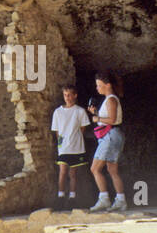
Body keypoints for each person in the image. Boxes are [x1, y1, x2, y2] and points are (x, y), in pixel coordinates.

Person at [88, 72, 127, 212]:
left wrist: (96, 119)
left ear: (107, 85)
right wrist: (96, 113)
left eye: (99, 85)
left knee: (95, 168)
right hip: (112, 135)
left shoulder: (111, 99)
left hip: (110, 136)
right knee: (112, 170)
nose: (97, 88)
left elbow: (111, 119)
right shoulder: (109, 99)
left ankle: (104, 199)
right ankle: (121, 200)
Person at [51, 84, 91, 208]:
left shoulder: (80, 111)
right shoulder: (58, 112)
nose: (67, 97)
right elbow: (56, 130)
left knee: (72, 174)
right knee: (62, 171)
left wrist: (74, 138)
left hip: (76, 147)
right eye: (65, 95)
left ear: (75, 96)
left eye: (69, 95)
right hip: (63, 147)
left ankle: (72, 198)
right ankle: (61, 196)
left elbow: (83, 128)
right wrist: (60, 145)